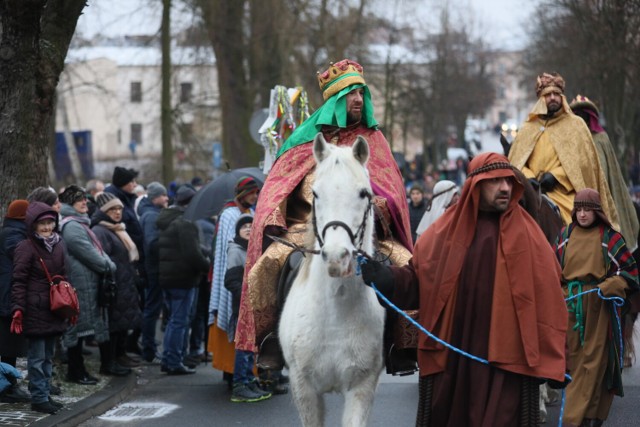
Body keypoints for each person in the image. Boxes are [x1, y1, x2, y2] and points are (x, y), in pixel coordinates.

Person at [361, 152, 568, 426]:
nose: (505, 188)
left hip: (508, 363)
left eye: (508, 181)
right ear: (475, 186)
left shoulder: (530, 236)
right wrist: (385, 277)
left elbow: (550, 301)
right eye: (495, 182)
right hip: (455, 357)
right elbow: (418, 281)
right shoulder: (444, 233)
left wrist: (552, 356)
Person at [234, 59, 413, 367]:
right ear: (335, 98)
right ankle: (271, 341)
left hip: (362, 228)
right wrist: (275, 216)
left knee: (406, 264)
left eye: (361, 92)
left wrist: (379, 205)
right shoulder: (305, 140)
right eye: (350, 92)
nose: (358, 99)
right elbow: (279, 186)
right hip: (307, 228)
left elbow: (391, 191)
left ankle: (402, 346)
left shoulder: (373, 141)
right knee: (265, 267)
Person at [553, 189, 639, 426]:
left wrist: (611, 285)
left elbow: (630, 273)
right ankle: (578, 416)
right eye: (578, 209)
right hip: (569, 306)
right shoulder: (565, 235)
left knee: (594, 364)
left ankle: (580, 418)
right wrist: (561, 293)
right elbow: (552, 270)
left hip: (599, 308)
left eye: (587, 210)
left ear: (597, 212)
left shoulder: (610, 238)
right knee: (574, 363)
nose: (582, 214)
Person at [508, 72, 617, 228]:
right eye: (548, 94)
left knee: (577, 225)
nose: (552, 98)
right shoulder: (528, 128)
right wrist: (528, 177)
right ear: (540, 100)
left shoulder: (576, 125)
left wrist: (556, 176)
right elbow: (516, 162)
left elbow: (583, 163)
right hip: (530, 191)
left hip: (564, 192)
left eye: (556, 94)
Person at [10, 202, 69, 414]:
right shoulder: (25, 247)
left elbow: (64, 274)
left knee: (48, 357)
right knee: (36, 358)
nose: (46, 227)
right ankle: (39, 397)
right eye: (42, 223)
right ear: (33, 225)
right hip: (34, 309)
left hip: (54, 308)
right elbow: (18, 280)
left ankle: (45, 394)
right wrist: (18, 308)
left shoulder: (59, 244)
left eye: (50, 222)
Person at [58, 185, 121, 383]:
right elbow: (92, 256)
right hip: (80, 285)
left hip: (86, 283)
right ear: (70, 203)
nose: (85, 202)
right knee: (76, 330)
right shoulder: (72, 226)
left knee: (81, 329)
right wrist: (109, 265)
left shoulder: (80, 223)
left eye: (85, 199)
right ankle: (75, 372)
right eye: (79, 200)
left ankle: (79, 370)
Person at [569, 95, 639, 250]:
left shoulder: (601, 139)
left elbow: (608, 170)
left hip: (601, 193)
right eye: (576, 115)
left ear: (589, 117)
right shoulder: (569, 141)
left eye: (583, 114)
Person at [208, 177, 259, 379]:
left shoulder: (250, 213)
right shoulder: (229, 215)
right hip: (234, 275)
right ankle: (233, 375)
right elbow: (227, 250)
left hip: (249, 275)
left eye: (256, 193)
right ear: (243, 193)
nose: (255, 197)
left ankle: (245, 374)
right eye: (252, 193)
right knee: (235, 323)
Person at [156, 185, 210, 375]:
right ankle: (173, 361)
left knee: (173, 321)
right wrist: (207, 265)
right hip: (183, 278)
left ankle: (170, 358)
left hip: (169, 277)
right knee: (179, 322)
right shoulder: (185, 223)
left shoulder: (168, 219)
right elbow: (192, 253)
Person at [91, 192, 143, 375]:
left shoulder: (117, 228)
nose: (117, 212)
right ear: (104, 211)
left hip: (124, 283)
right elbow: (101, 258)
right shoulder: (100, 230)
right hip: (114, 285)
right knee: (112, 325)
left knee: (121, 324)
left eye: (119, 208)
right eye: (112, 209)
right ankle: (109, 362)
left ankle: (120, 355)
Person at [226, 214, 272, 402]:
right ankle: (240, 385)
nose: (247, 228)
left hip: (256, 305)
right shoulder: (236, 250)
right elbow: (230, 280)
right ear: (238, 231)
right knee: (243, 347)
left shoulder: (255, 250)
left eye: (250, 226)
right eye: (243, 226)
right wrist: (245, 296)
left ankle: (249, 380)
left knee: (252, 347)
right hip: (243, 307)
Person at [105, 166, 145, 354]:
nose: (135, 185)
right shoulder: (116, 200)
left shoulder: (127, 200)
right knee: (121, 312)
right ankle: (118, 353)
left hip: (130, 262)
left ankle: (125, 348)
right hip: (123, 264)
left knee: (130, 309)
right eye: (132, 182)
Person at [0, 200, 30, 403]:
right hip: (8, 296)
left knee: (9, 344)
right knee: (8, 345)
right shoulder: (13, 234)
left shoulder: (13, 231)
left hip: (8, 295)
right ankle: (8, 387)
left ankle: (9, 385)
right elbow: (20, 256)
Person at [137, 182, 169, 364]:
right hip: (154, 269)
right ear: (156, 197)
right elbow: (152, 243)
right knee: (152, 309)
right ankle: (148, 349)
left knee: (153, 308)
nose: (166, 198)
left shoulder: (152, 213)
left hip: (155, 268)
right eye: (163, 195)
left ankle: (149, 346)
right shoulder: (151, 216)